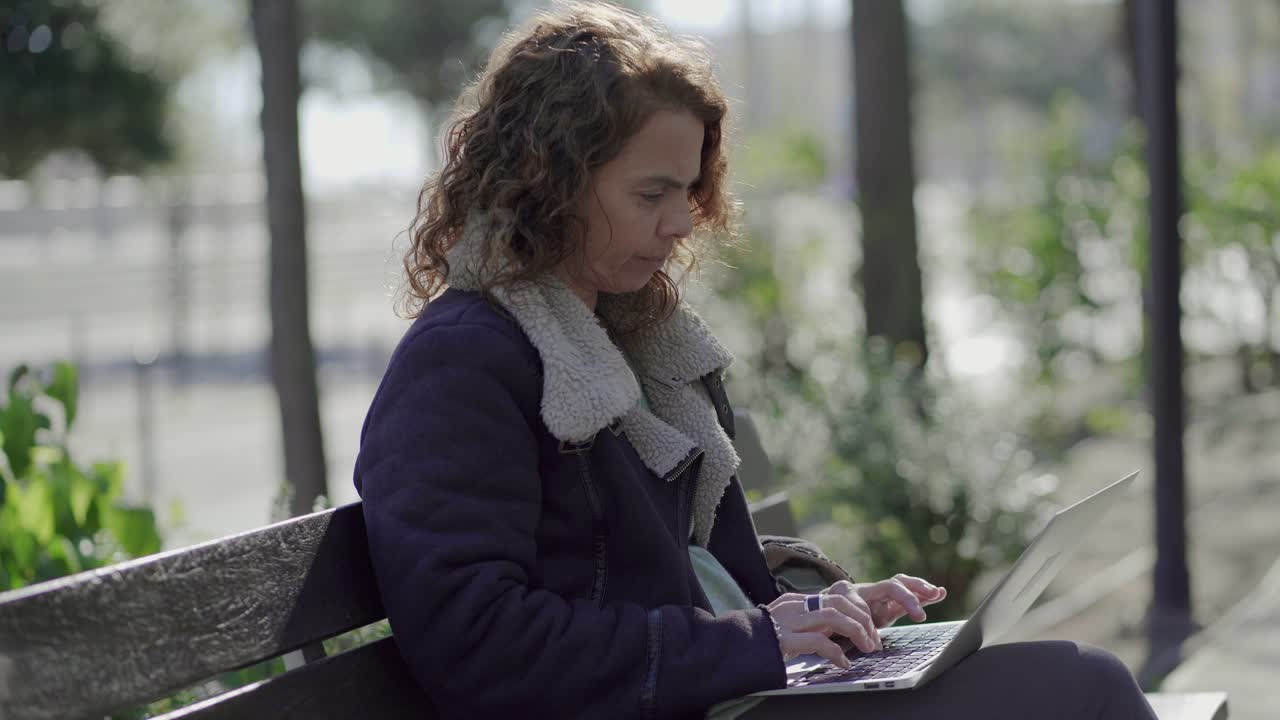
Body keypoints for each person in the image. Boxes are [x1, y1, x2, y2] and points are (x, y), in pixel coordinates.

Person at [353, 2, 1159, 719]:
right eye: (650, 194)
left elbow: (700, 585)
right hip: (695, 699)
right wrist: (757, 641)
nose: (680, 223)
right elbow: (480, 646)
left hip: (731, 691)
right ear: (550, 181)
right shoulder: (461, 364)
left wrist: (821, 614)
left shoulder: (643, 348)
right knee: (1082, 689)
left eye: (689, 191)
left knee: (1076, 682)